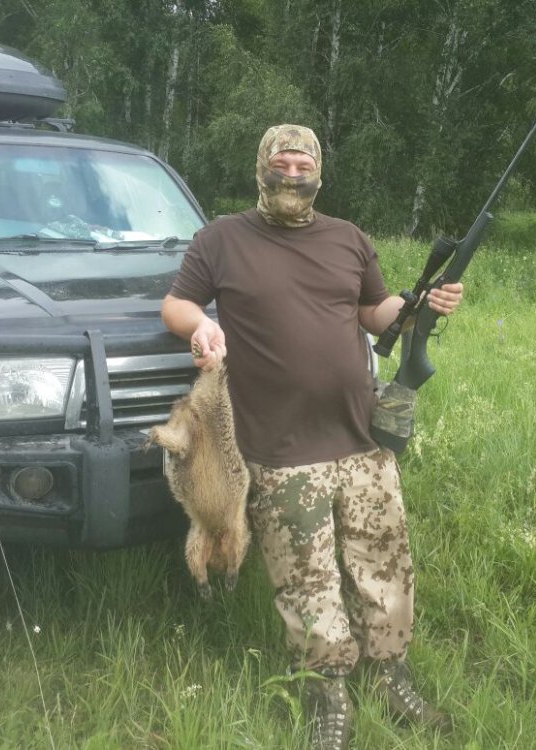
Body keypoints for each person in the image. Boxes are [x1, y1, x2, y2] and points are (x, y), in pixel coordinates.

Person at [161, 124, 463, 749]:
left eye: (303, 166)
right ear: (262, 167)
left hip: (361, 436)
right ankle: (328, 695)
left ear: (318, 174)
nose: (292, 175)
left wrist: (420, 306)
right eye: (282, 163)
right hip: (280, 448)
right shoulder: (220, 239)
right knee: (307, 580)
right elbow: (177, 305)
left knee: (383, 562)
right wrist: (201, 329)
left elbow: (375, 312)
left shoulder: (348, 239)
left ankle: (391, 677)